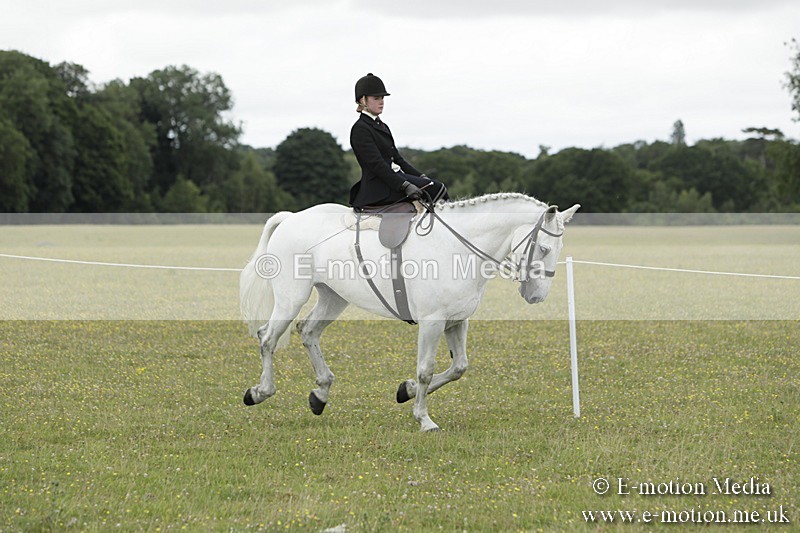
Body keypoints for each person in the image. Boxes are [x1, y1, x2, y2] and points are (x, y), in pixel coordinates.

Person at [349, 73, 448, 209]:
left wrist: (421, 176)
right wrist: (404, 185)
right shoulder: (360, 129)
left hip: (394, 179)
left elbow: (398, 159)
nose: (381, 102)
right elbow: (377, 165)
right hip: (379, 186)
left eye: (382, 98)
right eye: (376, 98)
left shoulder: (382, 126)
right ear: (363, 100)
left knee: (435, 185)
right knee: (438, 189)